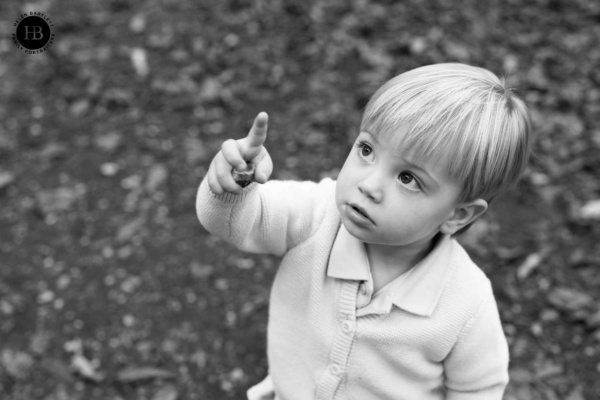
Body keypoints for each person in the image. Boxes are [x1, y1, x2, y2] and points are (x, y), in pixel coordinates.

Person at [196, 63, 532, 400]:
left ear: (458, 215)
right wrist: (232, 188)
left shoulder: (465, 304)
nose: (369, 185)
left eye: (408, 179)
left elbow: (478, 389)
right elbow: (240, 223)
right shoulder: (317, 216)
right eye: (367, 150)